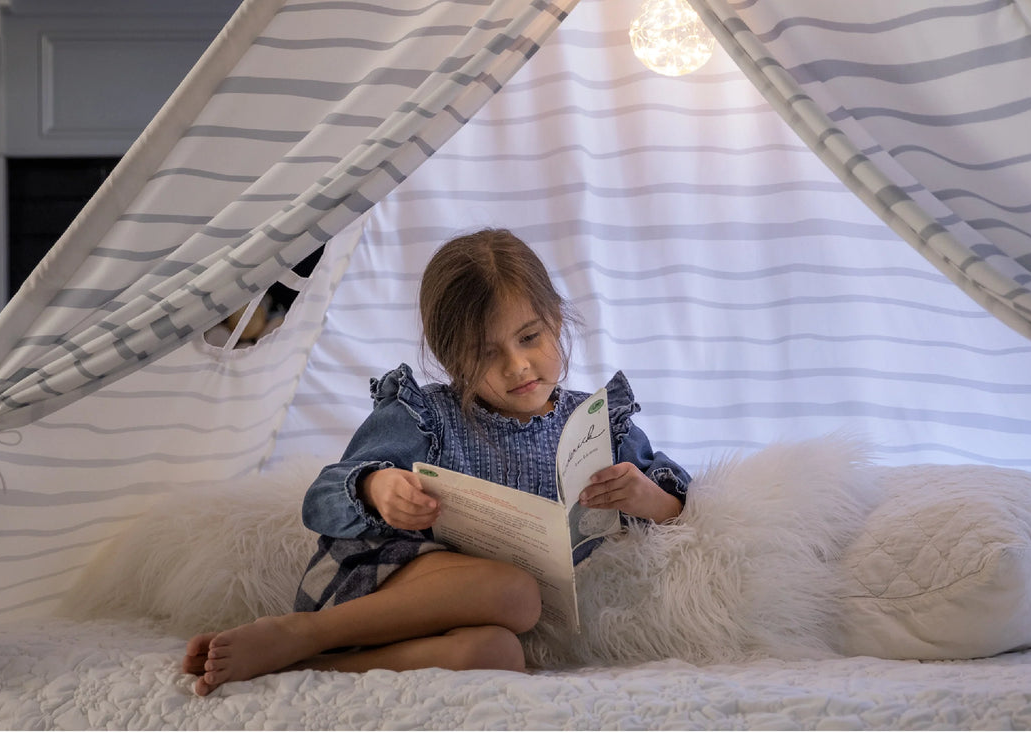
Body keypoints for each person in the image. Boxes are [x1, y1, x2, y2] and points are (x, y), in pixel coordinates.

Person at [182, 228, 692, 695]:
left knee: (498, 653)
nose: (517, 365)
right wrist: (377, 488)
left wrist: (648, 498)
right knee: (515, 593)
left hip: (470, 624)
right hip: (384, 589)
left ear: (556, 321)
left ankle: (301, 664)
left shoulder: (598, 424)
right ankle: (304, 631)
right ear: (451, 360)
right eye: (485, 353)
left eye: (530, 338)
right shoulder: (425, 415)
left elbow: (681, 509)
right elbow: (320, 500)